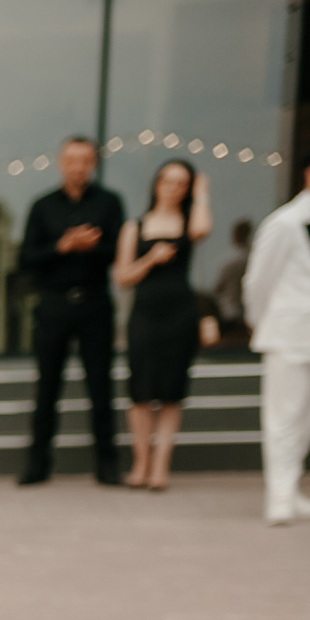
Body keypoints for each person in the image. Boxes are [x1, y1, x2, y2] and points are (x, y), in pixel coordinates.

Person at [244, 139, 310, 526]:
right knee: (283, 418)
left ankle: (293, 488)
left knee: (307, 417)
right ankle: (279, 497)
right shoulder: (283, 223)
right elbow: (258, 282)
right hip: (287, 333)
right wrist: (261, 322)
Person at [18, 136, 126, 486]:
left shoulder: (110, 204)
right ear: (61, 163)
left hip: (95, 302)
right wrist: (62, 246)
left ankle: (107, 465)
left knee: (100, 386)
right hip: (53, 304)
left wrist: (91, 247)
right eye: (71, 160)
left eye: (84, 160)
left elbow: (118, 252)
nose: (78, 167)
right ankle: (37, 464)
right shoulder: (42, 206)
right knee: (47, 386)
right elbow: (26, 260)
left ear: (93, 163)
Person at [118, 160, 217, 494]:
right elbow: (122, 278)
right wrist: (151, 258)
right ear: (156, 183)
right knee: (141, 392)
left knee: (172, 393)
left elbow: (203, 230)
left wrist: (202, 194)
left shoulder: (189, 222)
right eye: (167, 181)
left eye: (182, 183)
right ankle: (141, 463)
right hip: (145, 314)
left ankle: (161, 467)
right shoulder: (135, 225)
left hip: (180, 314)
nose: (173, 188)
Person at [213, 217, 255, 345]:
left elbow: (219, 288)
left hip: (231, 312)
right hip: (248, 312)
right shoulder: (253, 260)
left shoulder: (229, 262)